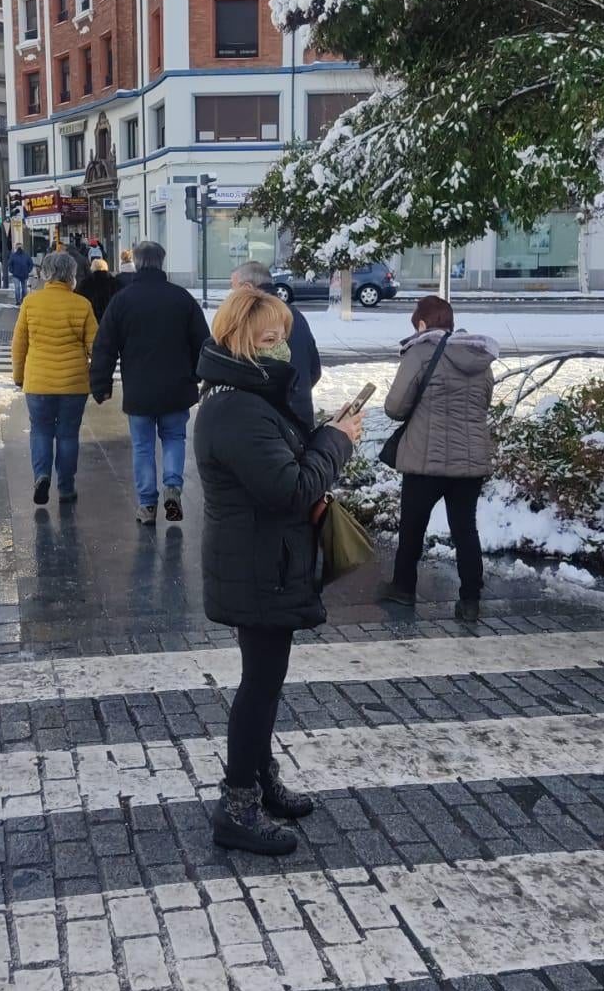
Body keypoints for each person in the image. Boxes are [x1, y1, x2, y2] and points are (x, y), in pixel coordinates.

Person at [194, 285, 362, 854]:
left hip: (263, 560)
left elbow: (281, 461)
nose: (283, 349)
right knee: (259, 688)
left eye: (285, 338)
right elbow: (290, 489)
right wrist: (336, 444)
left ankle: (259, 782)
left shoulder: (245, 394)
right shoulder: (237, 407)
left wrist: (322, 434)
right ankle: (237, 804)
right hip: (258, 565)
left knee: (264, 683)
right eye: (271, 339)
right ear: (241, 341)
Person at [381, 295, 498, 623]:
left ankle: (403, 589)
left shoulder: (419, 352)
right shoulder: (479, 355)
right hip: (470, 460)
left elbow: (395, 407)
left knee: (413, 527)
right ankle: (470, 600)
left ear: (421, 324)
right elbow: (484, 402)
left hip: (424, 459)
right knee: (465, 529)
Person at [90, 240, 210, 524]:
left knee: (142, 447)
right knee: (174, 438)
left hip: (139, 390)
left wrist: (101, 384)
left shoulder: (123, 300)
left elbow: (104, 346)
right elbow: (203, 343)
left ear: (138, 263)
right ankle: (172, 486)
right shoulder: (182, 299)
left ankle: (147, 505)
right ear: (161, 262)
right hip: (177, 388)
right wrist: (197, 375)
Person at [12, 250, 98, 506]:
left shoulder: (30, 302)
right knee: (68, 435)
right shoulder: (82, 305)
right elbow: (96, 346)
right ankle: (66, 487)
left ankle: (41, 476)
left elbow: (19, 344)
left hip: (38, 382)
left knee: (40, 431)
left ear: (45, 274)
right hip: (73, 384)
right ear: (71, 275)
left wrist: (19, 377)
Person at [231, 260, 321, 430]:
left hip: (270, 422)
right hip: (301, 415)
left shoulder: (248, 322)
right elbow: (314, 369)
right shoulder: (295, 315)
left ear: (247, 288)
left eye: (234, 288)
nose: (231, 295)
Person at [79, 258, 120, 322]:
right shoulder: (114, 282)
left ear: (92, 268)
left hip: (91, 320)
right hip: (110, 321)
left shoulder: (85, 284)